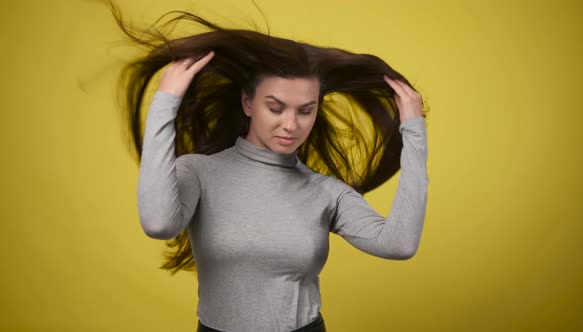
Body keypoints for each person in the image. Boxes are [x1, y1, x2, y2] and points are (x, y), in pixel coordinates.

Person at [105, 2, 429, 331]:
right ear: (248, 102)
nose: (291, 124)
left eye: (306, 110)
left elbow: (399, 244)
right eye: (275, 107)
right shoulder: (199, 173)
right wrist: (165, 102)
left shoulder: (327, 192)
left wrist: (414, 131)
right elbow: (159, 224)